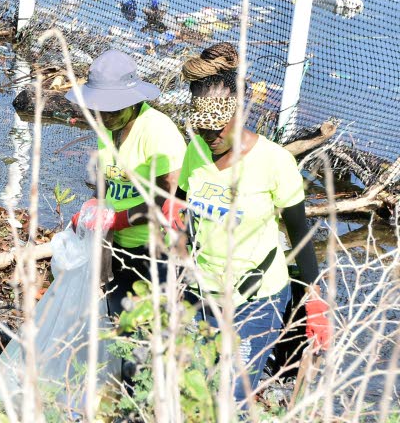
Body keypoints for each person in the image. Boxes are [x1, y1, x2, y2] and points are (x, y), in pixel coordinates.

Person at [170, 42, 330, 403]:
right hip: (201, 294)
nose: (210, 138)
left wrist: (315, 303)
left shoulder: (274, 162)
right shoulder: (196, 150)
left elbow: (299, 236)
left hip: (255, 301)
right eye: (202, 129)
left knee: (232, 397)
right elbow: (180, 212)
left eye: (217, 129)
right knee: (191, 394)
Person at [65, 49, 185, 315]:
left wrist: (116, 219)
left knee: (146, 322)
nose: (104, 117)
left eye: (112, 110)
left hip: (152, 250)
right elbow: (106, 180)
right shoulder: (107, 128)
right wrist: (92, 209)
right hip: (115, 243)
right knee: (115, 314)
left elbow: (167, 200)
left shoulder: (158, 131)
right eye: (98, 110)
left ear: (133, 101)